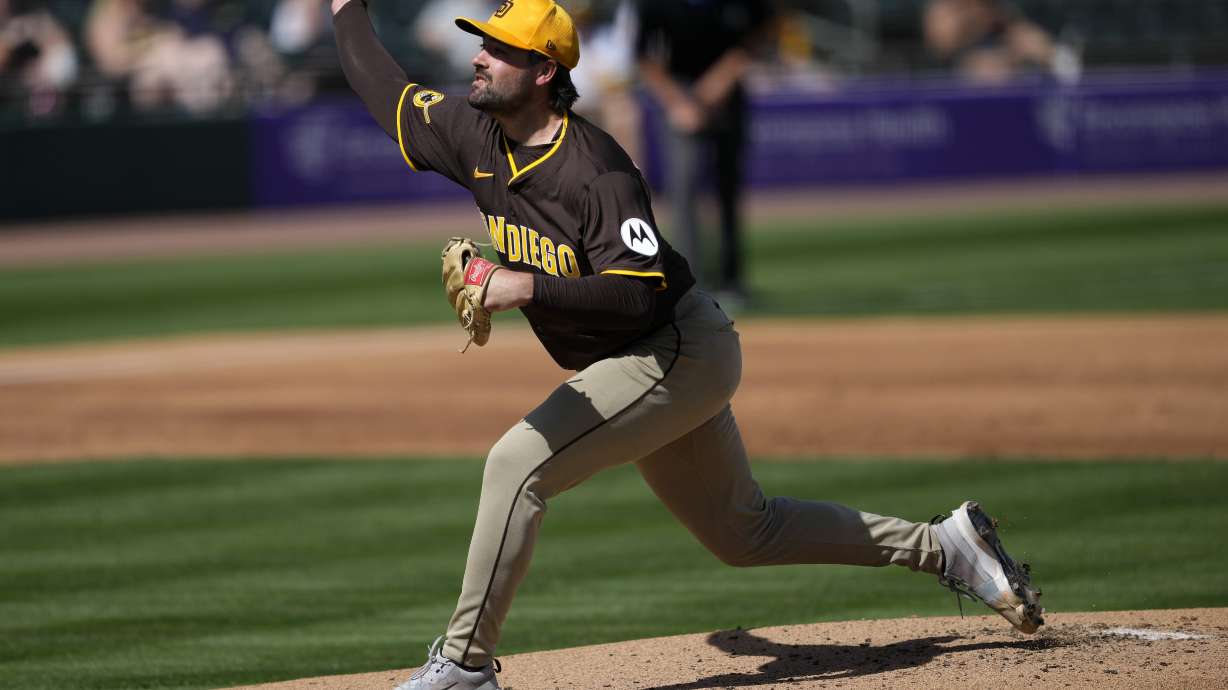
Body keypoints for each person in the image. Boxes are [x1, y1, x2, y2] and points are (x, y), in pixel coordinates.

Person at [328, 1, 1044, 688]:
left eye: (499, 49)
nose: (478, 57)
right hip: (636, 360)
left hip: (674, 347)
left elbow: (636, 292)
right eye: (482, 43)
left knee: (517, 465)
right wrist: (342, 9)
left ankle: (465, 666)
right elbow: (385, 89)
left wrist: (527, 287)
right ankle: (945, 546)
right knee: (745, 534)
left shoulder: (597, 171)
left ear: (544, 72)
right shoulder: (472, 135)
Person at [635, 0, 774, 309]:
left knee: (728, 187)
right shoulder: (654, 6)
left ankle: (731, 280)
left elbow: (755, 37)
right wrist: (679, 103)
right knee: (683, 186)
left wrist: (711, 91)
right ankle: (689, 281)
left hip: (727, 88)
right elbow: (644, 57)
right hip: (678, 91)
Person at [923, 0, 1078, 85]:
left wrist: (1012, 57)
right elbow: (941, 46)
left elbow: (1030, 41)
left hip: (1009, 88)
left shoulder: (1002, 15)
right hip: (955, 88)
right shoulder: (944, 11)